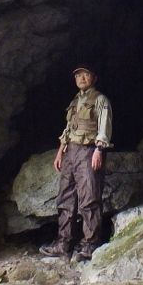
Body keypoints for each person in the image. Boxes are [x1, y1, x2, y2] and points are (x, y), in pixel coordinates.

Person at [39, 64, 112, 261]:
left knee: (89, 198)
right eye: (78, 75)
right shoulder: (74, 101)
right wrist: (60, 152)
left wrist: (99, 149)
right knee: (65, 198)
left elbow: (104, 127)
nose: (81, 78)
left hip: (88, 151)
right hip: (71, 151)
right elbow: (68, 128)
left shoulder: (100, 100)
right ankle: (64, 243)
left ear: (93, 78)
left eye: (85, 74)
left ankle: (90, 244)